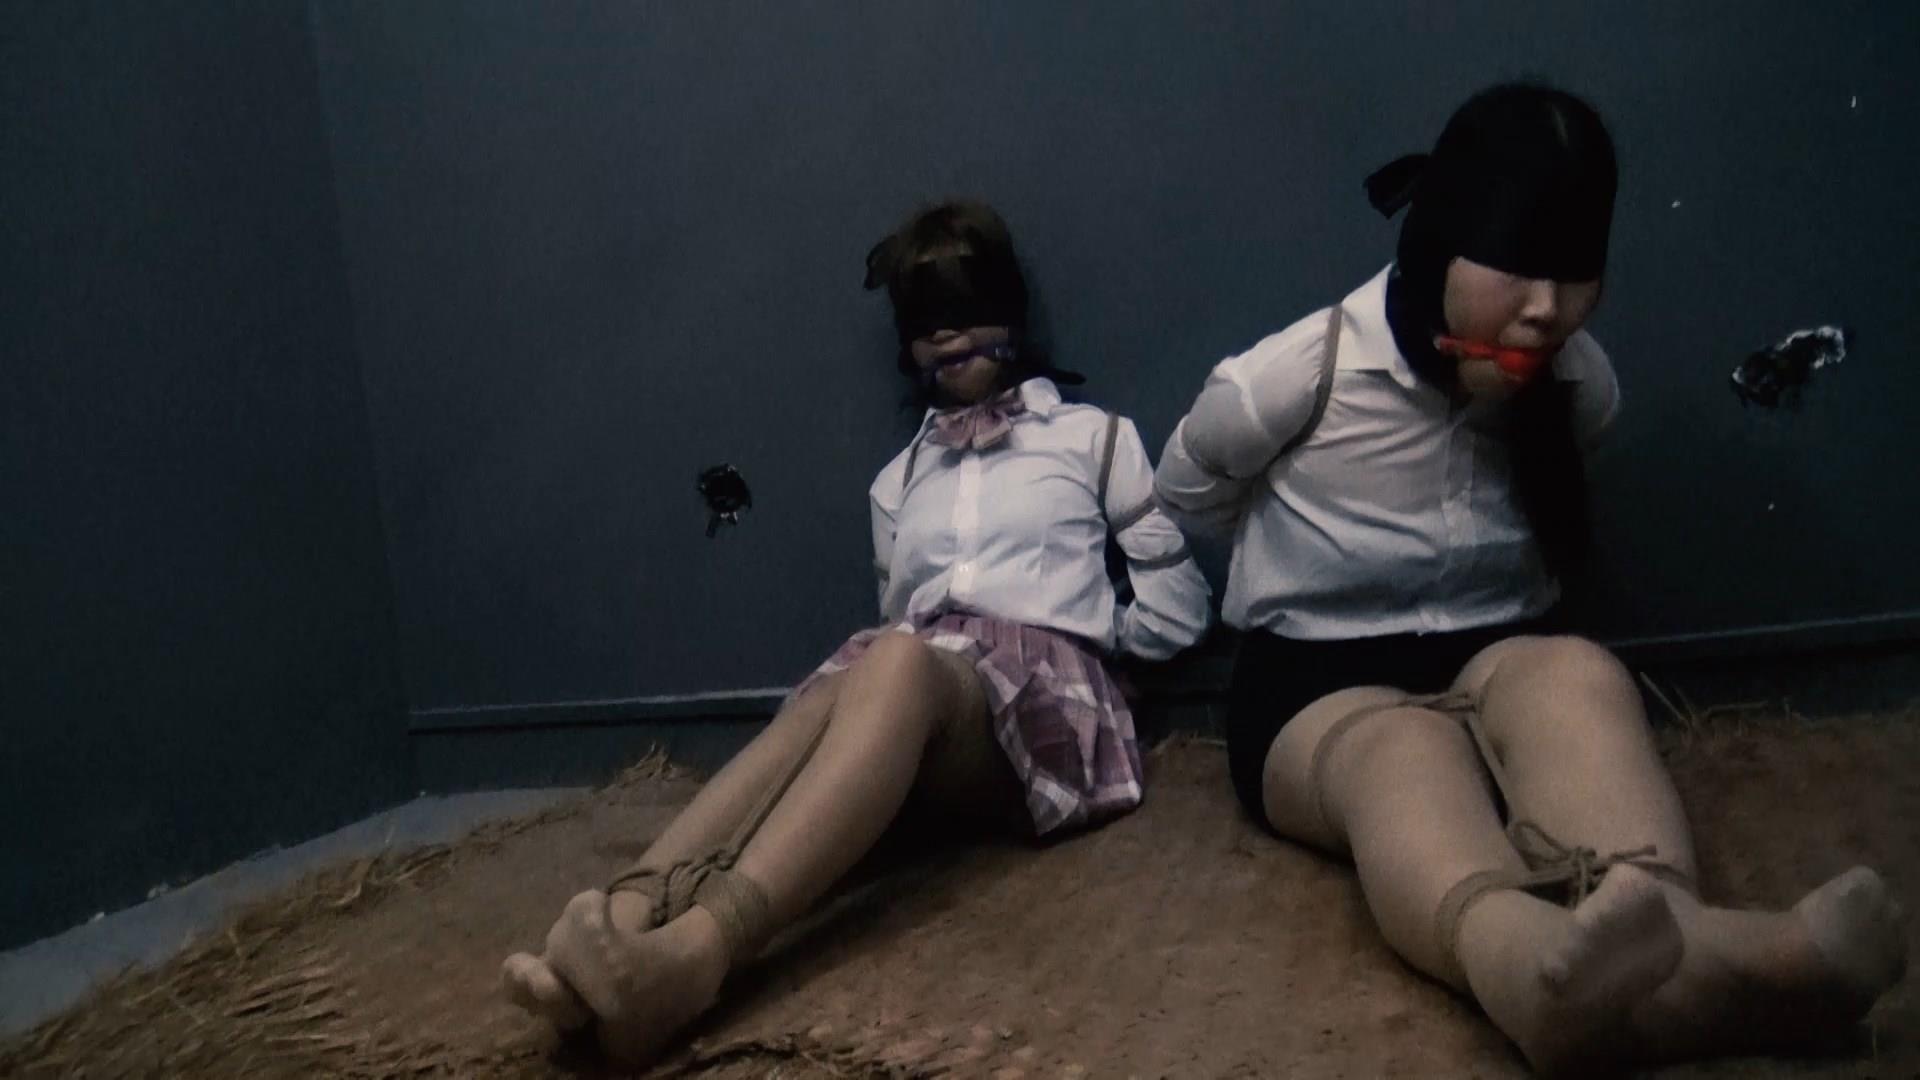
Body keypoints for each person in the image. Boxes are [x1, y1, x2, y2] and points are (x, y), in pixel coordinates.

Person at [1154, 83, 1905, 1074]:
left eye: (1574, 272)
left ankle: (1672, 938)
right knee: (1400, 750)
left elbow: (1574, 455)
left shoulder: (1579, 379)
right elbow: (1189, 492)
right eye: (1517, 266)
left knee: (1580, 678)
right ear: (1439, 244)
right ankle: (1529, 966)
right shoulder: (1295, 375)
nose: (1547, 308)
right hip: (1314, 682)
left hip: (1501, 647)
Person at [501, 199, 1212, 1065]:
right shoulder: (897, 479)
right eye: (924, 321)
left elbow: (1180, 605)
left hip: (1043, 712)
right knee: (852, 681)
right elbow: (895, 622)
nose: (945, 335)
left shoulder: (1093, 439)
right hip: (925, 695)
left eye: (963, 307)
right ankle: (619, 921)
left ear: (1008, 312)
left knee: (897, 660)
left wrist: (1092, 647)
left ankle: (697, 955)